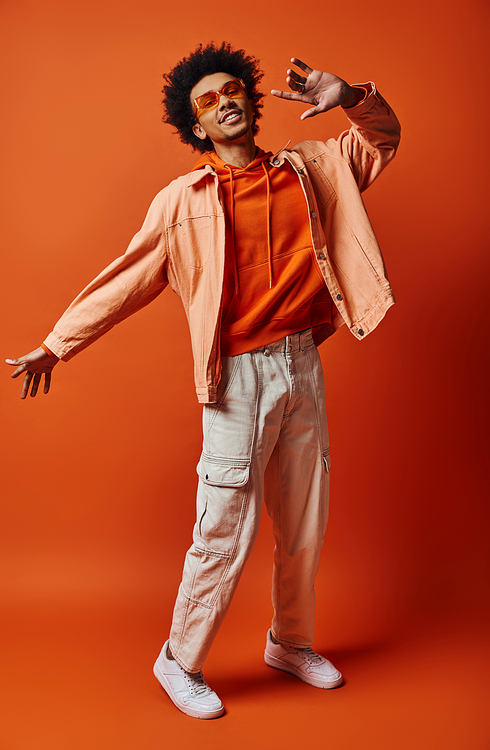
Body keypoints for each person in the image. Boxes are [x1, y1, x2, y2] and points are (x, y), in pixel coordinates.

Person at [6, 42, 400, 719]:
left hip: (302, 362)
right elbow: (127, 277)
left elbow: (384, 139)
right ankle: (178, 660)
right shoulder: (183, 201)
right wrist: (56, 345)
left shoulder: (315, 167)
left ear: (251, 97)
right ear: (197, 128)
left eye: (232, 90)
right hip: (236, 382)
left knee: (305, 522)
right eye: (207, 102)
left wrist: (356, 98)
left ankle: (290, 641)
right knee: (224, 528)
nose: (225, 103)